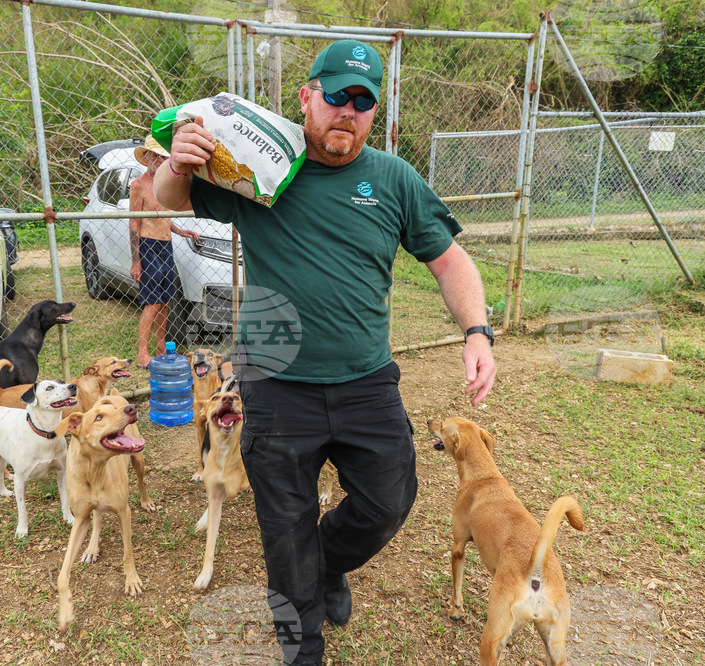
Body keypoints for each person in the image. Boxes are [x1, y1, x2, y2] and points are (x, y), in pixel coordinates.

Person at [155, 39, 497, 666]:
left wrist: (478, 332)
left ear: (375, 114)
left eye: (363, 102)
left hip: (366, 377)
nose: (349, 111)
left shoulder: (393, 178)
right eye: (337, 95)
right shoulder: (262, 168)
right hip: (276, 376)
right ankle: (300, 647)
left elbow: (449, 260)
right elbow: (166, 200)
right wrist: (178, 163)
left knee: (387, 503)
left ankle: (327, 565)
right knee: (284, 532)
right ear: (308, 96)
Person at [129, 135, 200, 368]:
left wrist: (181, 231)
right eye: (155, 155)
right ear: (146, 156)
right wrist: (136, 261)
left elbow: (161, 217)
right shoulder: (138, 185)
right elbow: (135, 224)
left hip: (165, 245)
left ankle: (162, 347)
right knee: (152, 302)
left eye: (163, 156)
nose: (159, 160)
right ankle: (142, 353)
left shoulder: (165, 183)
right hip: (147, 246)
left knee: (166, 300)